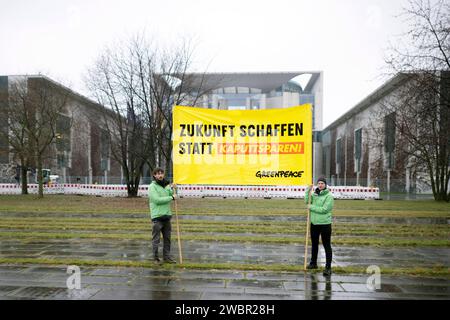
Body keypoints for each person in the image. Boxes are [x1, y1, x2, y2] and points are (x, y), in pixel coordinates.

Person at [305, 177, 334, 276]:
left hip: (325, 224)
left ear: (325, 185)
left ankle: (328, 267)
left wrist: (311, 207)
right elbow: (306, 202)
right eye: (319, 183)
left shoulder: (329, 196)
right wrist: (307, 190)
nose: (320, 185)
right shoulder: (314, 194)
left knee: (326, 245)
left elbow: (324, 209)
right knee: (314, 244)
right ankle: (313, 263)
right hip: (314, 223)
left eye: (322, 183)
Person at [148, 167, 177, 264]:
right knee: (156, 239)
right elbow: (157, 200)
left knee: (167, 239)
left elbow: (174, 196)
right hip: (157, 217)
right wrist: (171, 197)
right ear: (154, 175)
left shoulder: (166, 185)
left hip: (167, 216)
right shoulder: (152, 187)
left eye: (161, 173)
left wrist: (174, 189)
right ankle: (155, 258)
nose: (160, 175)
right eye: (158, 173)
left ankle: (167, 257)